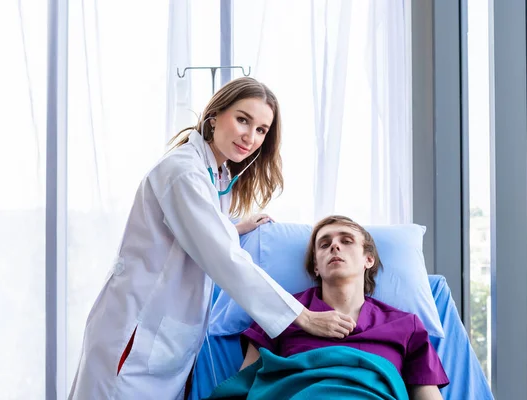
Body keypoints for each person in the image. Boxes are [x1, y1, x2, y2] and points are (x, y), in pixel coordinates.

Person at [68, 78, 356, 400]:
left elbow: (193, 233)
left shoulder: (216, 175)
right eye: (243, 119)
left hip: (163, 341)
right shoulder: (183, 173)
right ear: (215, 115)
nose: (250, 137)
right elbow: (225, 260)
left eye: (261, 129)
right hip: (134, 337)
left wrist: (231, 227)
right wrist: (302, 317)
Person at [240, 215, 449, 400]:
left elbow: (426, 394)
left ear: (368, 259)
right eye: (324, 244)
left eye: (346, 241)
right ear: (316, 266)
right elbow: (245, 384)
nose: (334, 246)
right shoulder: (280, 311)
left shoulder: (405, 325)